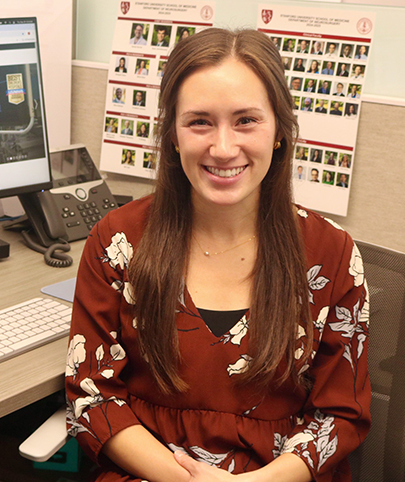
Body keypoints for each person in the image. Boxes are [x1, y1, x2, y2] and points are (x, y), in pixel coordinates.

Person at [66, 28, 371, 482]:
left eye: (246, 120)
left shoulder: (331, 254)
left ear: (280, 132)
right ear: (172, 134)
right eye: (200, 122)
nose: (223, 148)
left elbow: (339, 415)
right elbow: (93, 397)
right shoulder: (118, 241)